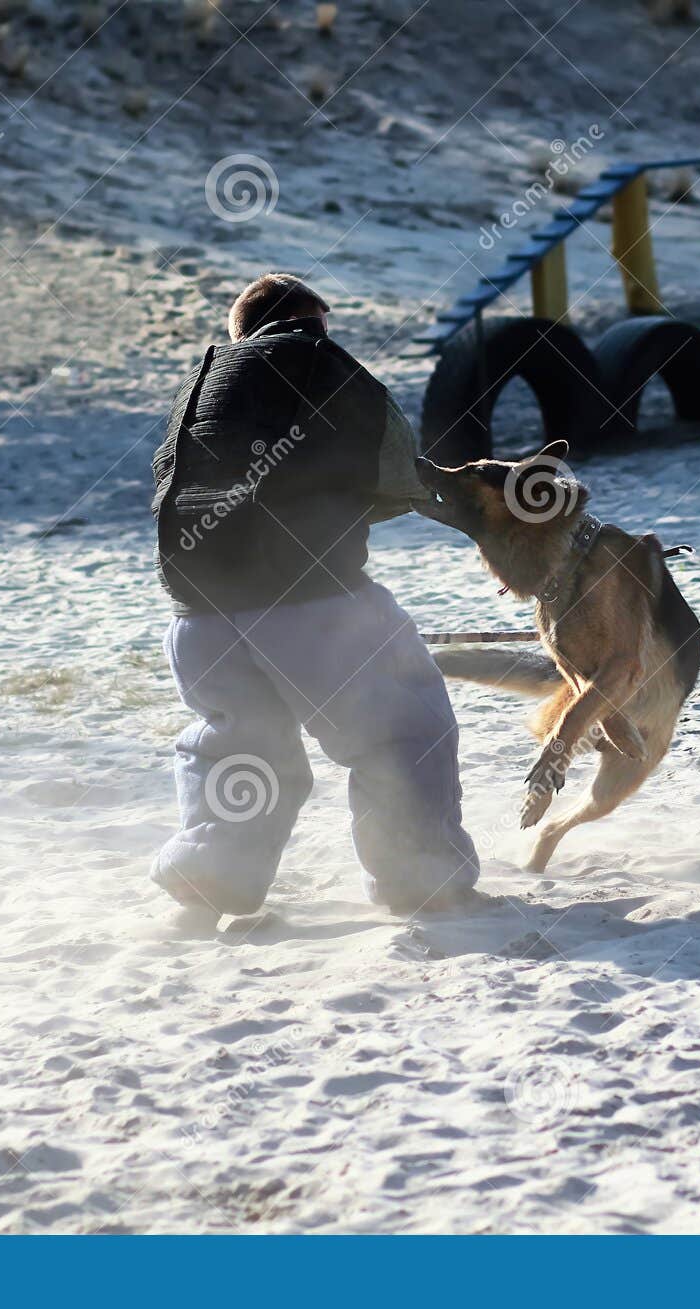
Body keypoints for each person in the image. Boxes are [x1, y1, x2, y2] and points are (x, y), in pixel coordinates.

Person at [150, 273, 479, 920]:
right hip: (311, 599)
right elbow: (392, 458)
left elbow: (169, 481)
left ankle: (208, 875)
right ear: (309, 321)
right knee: (403, 727)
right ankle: (422, 878)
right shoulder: (313, 355)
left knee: (242, 749)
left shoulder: (199, 385)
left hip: (197, 614)